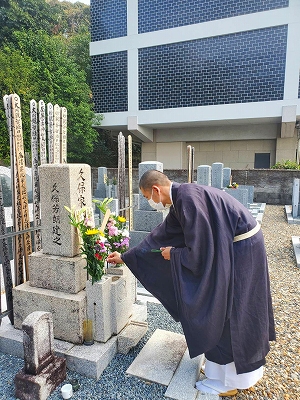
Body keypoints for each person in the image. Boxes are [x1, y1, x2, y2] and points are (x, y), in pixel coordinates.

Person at [107, 170, 275, 397]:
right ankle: (221, 370)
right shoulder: (180, 199)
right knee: (223, 307)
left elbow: (202, 254)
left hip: (242, 249)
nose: (151, 202)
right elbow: (160, 236)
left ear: (156, 190)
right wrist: (127, 256)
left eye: (149, 197)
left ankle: (232, 380)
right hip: (235, 247)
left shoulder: (186, 198)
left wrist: (175, 254)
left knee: (230, 308)